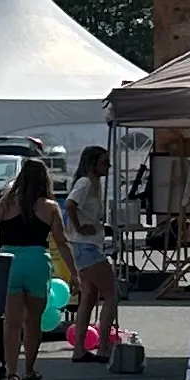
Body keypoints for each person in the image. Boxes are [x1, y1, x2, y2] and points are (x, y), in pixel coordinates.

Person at [0, 156, 58, 380]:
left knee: (12, 323)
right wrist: (75, 272)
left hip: (10, 265)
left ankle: (12, 372)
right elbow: (62, 241)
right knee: (33, 322)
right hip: (37, 263)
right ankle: (29, 370)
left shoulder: (5, 203)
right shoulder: (49, 207)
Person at [60, 145, 123, 358]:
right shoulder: (85, 182)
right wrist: (79, 227)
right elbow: (70, 204)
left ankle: (80, 348)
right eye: (104, 162)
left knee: (89, 296)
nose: (108, 166)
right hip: (86, 246)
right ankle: (104, 346)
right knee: (111, 293)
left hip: (85, 246)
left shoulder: (94, 184)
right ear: (92, 163)